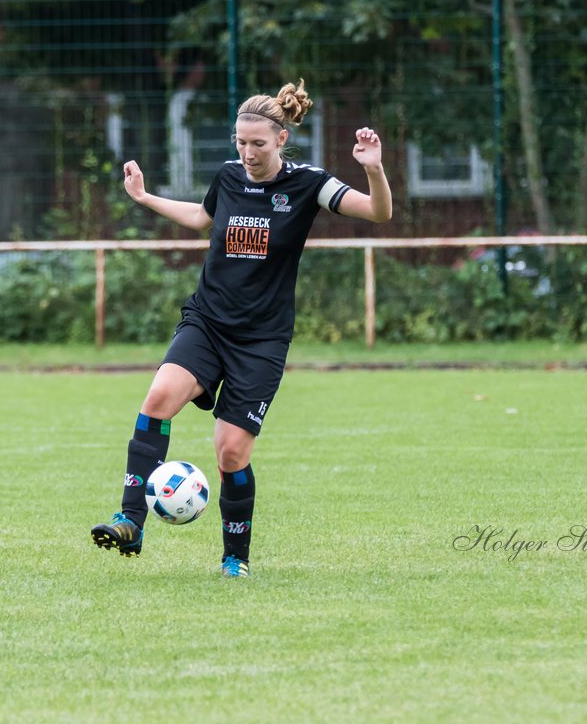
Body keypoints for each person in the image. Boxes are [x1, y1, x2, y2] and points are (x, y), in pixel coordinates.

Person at [91, 80, 392, 577]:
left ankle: (236, 559)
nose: (247, 152)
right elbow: (202, 218)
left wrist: (374, 170)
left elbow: (378, 212)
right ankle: (131, 520)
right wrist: (145, 197)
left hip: (262, 340)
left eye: (257, 144)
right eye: (240, 142)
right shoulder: (229, 176)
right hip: (208, 321)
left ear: (280, 140)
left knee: (230, 452)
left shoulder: (310, 183)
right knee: (159, 396)